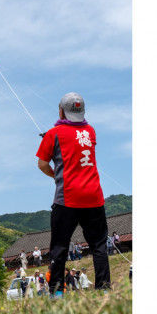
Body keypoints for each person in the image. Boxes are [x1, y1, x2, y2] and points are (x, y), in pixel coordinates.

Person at [36, 92, 111, 295]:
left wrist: (55, 175)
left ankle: (57, 293)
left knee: (59, 248)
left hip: (67, 198)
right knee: (99, 246)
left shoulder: (53, 134)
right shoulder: (91, 131)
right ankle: (104, 289)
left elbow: (42, 164)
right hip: (94, 197)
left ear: (61, 110)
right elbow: (76, 148)